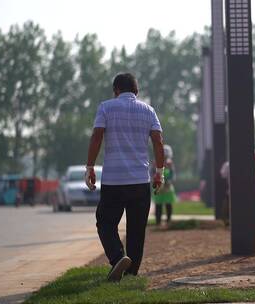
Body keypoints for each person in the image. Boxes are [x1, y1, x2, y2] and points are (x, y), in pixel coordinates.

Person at [85, 73, 165, 282]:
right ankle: (131, 273)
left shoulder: (106, 107)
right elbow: (158, 141)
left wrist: (90, 166)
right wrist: (160, 172)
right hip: (140, 180)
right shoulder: (148, 111)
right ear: (136, 92)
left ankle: (118, 257)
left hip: (114, 180)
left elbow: (97, 136)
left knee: (105, 222)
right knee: (137, 229)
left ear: (116, 90)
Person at [153, 144, 177, 226]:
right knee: (158, 205)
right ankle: (158, 221)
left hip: (168, 187)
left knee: (168, 204)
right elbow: (152, 173)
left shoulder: (170, 164)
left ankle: (169, 220)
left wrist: (169, 181)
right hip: (158, 187)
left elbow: (172, 174)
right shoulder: (155, 163)